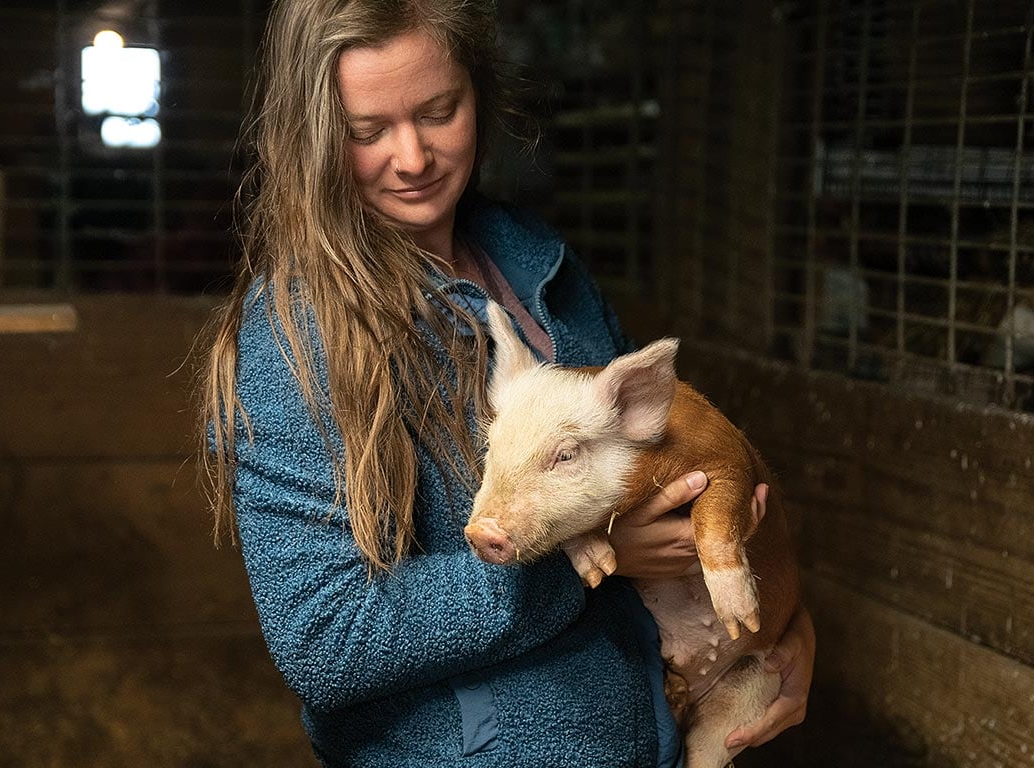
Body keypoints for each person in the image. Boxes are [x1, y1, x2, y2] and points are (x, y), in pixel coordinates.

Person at [199, 1, 814, 765]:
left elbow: (661, 461)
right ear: (312, 135)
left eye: (439, 112)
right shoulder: (293, 340)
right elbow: (327, 640)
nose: (413, 158)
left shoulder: (538, 264)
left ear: (480, 93)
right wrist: (580, 564)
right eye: (367, 131)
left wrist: (783, 634)